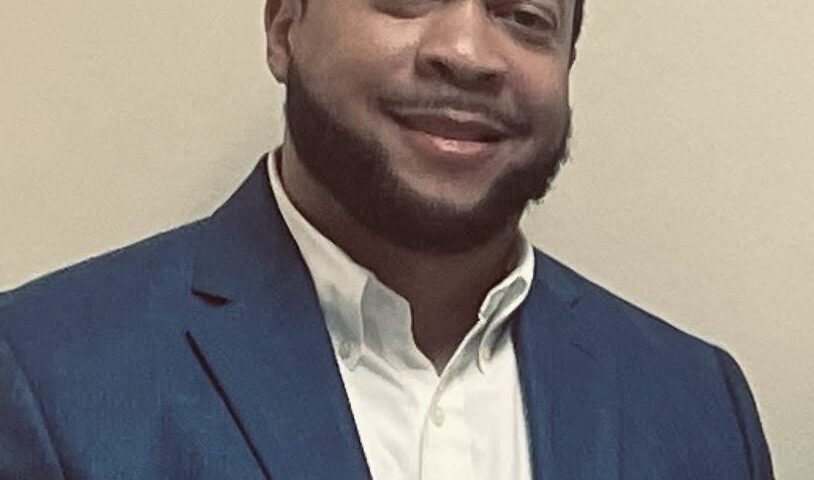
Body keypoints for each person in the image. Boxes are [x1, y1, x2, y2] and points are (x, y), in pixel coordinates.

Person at [0, 0, 774, 478]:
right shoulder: (42, 374)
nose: (467, 52)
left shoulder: (696, 403)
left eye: (524, 17)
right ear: (284, 25)